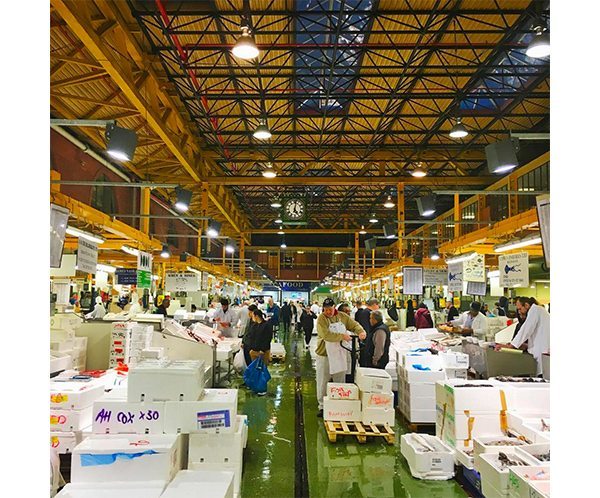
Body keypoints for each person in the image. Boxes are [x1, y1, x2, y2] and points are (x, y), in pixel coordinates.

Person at [315, 298, 366, 417]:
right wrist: (342, 336)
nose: (328, 312)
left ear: (334, 308)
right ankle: (322, 406)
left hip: (340, 353)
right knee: (323, 381)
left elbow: (354, 325)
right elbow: (326, 335)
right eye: (326, 310)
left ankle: (339, 404)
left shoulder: (343, 316)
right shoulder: (321, 319)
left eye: (330, 309)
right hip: (324, 355)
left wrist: (361, 331)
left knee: (340, 380)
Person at [495, 296, 550, 375]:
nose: (519, 312)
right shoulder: (539, 311)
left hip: (542, 354)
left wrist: (512, 346)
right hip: (541, 352)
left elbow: (526, 330)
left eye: (520, 309)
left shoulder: (535, 310)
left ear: (526, 305)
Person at [248, 309, 273, 395]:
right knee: (255, 370)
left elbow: (268, 338)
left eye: (253, 315)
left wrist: (263, 349)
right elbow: (251, 337)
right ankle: (256, 387)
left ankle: (262, 388)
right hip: (254, 351)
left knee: (262, 370)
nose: (252, 317)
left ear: (257, 316)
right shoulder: (254, 325)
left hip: (263, 351)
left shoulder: (266, 325)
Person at [355, 298, 379, 366]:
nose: (378, 307)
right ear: (374, 304)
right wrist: (368, 340)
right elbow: (366, 328)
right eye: (378, 305)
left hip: (365, 340)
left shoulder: (365, 312)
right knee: (365, 360)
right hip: (366, 341)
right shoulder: (368, 313)